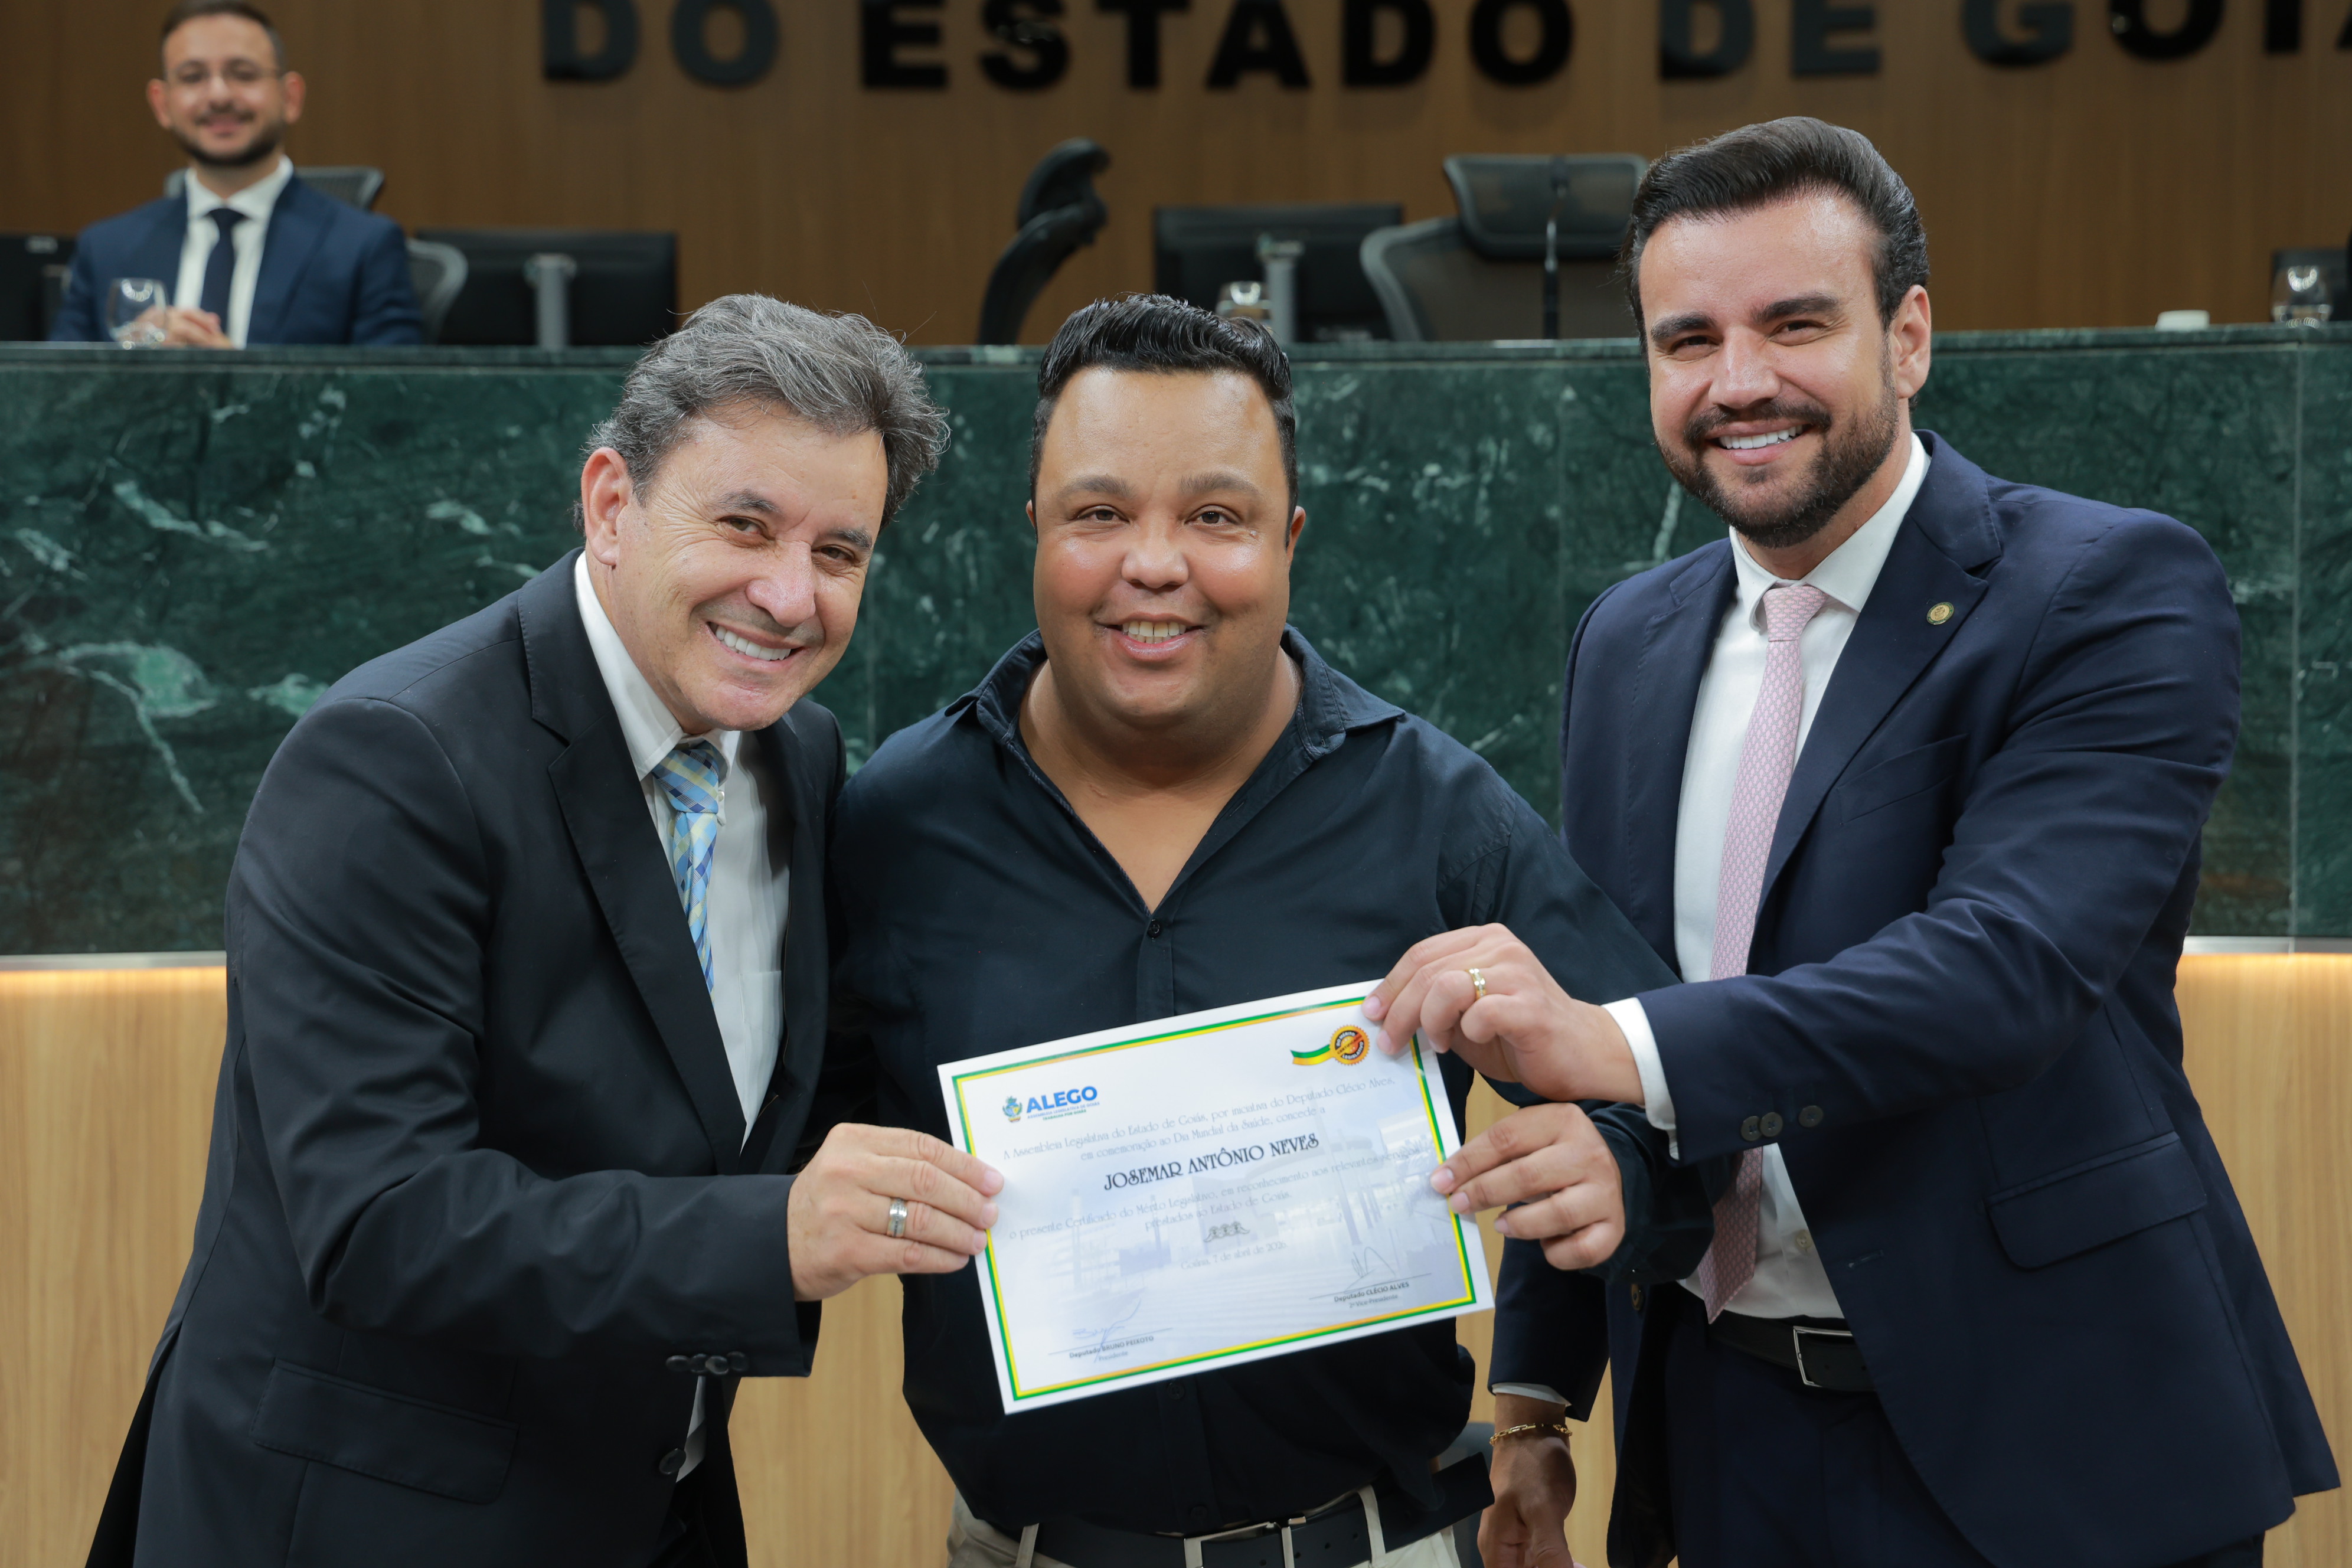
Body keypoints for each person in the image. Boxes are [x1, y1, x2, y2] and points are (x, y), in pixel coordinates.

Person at [1371, 117, 2339, 1568]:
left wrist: (1612, 1041)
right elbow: (1599, 1018)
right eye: (1687, 339)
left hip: (2056, 1442)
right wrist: (1535, 1396)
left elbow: (2001, 970)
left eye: (1795, 324)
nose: (1738, 381)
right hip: (1724, 1433)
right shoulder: (1627, 640)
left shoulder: (2106, 589)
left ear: (1910, 336)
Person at [84, 296, 1005, 1568]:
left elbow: (769, 1099)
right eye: (744, 525)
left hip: (643, 1507)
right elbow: (382, 1218)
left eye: (839, 551)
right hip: (365, 1523)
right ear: (611, 504)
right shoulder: (392, 760)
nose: (789, 593)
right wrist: (772, 1234)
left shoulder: (797, 750)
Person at [825, 295, 1675, 1568]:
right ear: (1036, 527)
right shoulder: (899, 820)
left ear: (1289, 538)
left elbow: (1668, 1095)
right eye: (1099, 513)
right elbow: (781, 1146)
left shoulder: (1431, 811)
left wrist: (1617, 1170)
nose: (1152, 564)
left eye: (1214, 517)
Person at [50, 1, 420, 347]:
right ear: (162, 105)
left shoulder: (364, 248)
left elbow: (393, 393)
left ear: (290, 98)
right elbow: (51, 388)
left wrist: (239, 377)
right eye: (192, 77)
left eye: (243, 74)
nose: (219, 95)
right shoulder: (106, 249)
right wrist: (132, 361)